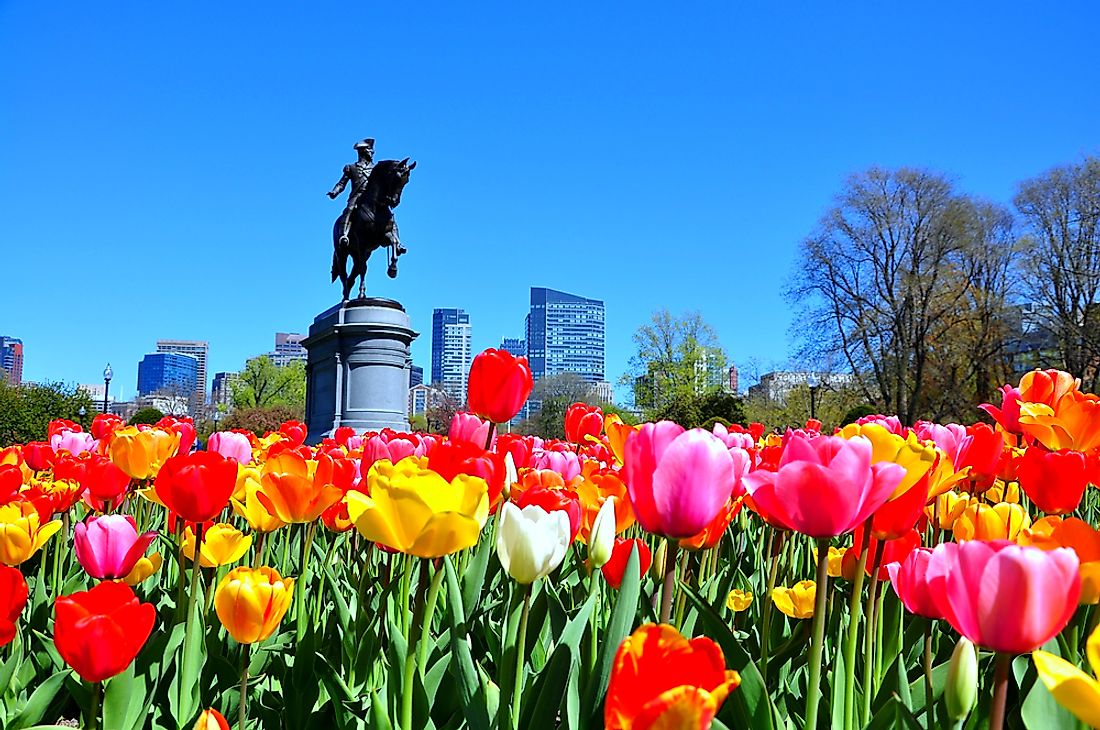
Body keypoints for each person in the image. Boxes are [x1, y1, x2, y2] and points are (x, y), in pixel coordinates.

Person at [327, 138, 375, 245]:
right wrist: (334, 192)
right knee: (349, 209)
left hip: (371, 198)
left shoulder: (375, 168)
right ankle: (344, 234)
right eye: (369, 149)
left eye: (372, 150)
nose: (372, 152)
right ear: (362, 151)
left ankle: (396, 239)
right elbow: (341, 183)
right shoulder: (351, 168)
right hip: (357, 197)